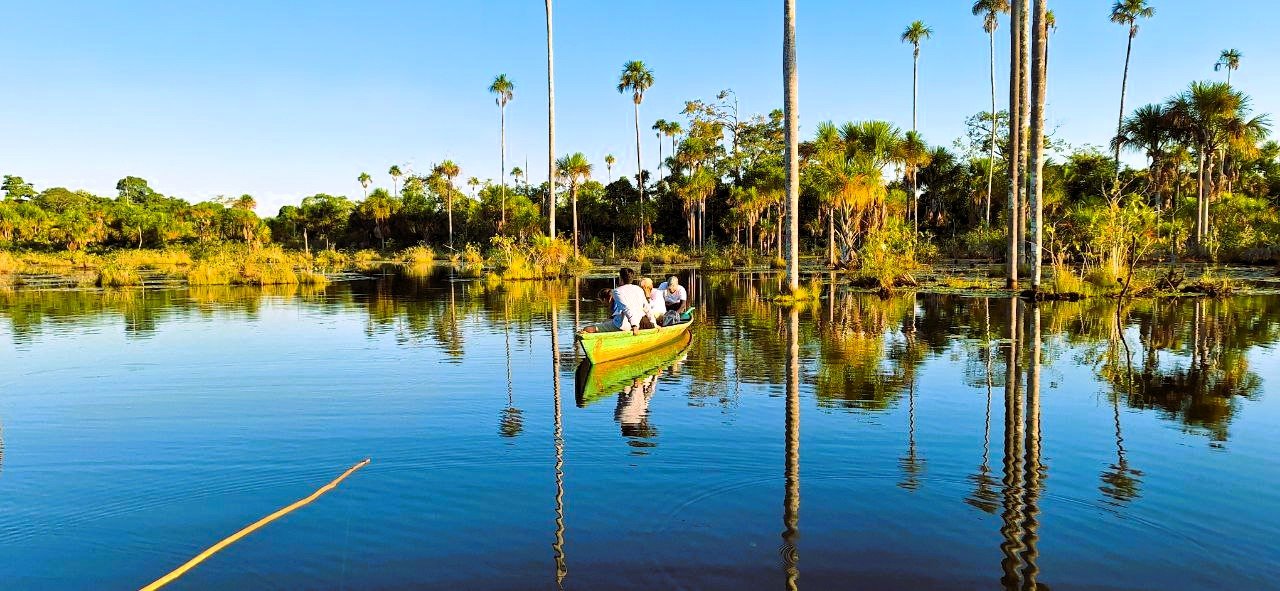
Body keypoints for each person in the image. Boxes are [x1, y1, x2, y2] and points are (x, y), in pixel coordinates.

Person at [582, 267, 647, 334]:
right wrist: (654, 323)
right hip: (637, 324)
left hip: (623, 326)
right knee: (606, 322)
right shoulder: (638, 289)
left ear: (621, 278)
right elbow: (646, 307)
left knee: (586, 329)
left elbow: (626, 308)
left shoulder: (617, 291)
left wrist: (634, 326)